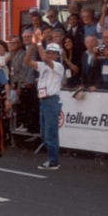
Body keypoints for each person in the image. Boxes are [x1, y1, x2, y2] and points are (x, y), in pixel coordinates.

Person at [25, 30, 65, 170]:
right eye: (49, 52)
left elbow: (46, 59)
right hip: (43, 101)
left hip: (52, 102)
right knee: (44, 133)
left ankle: (54, 162)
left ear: (58, 56)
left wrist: (40, 43)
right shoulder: (43, 66)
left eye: (54, 53)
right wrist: (33, 45)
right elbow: (27, 60)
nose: (50, 55)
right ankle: (52, 159)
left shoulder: (58, 66)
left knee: (50, 134)